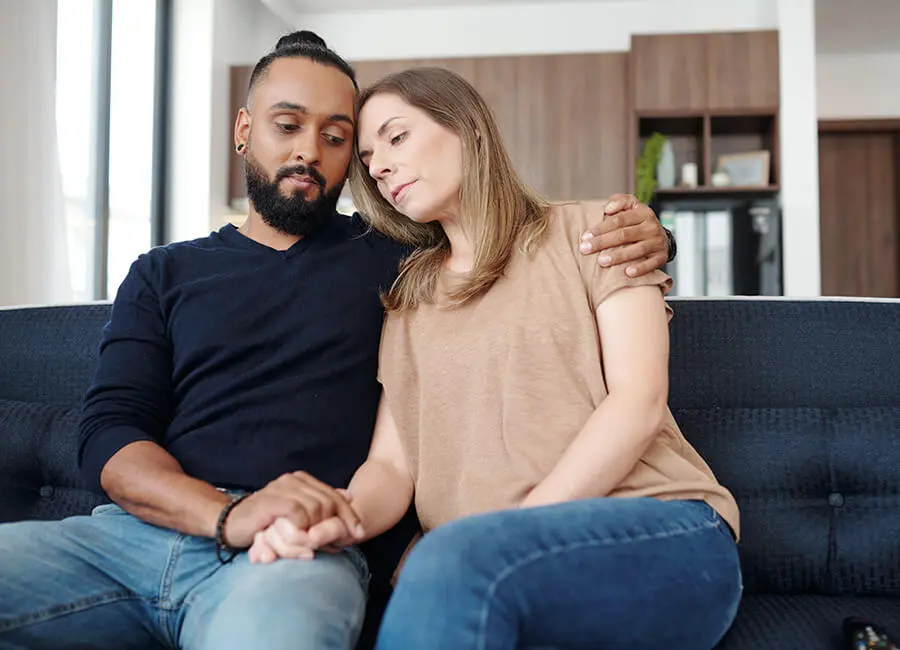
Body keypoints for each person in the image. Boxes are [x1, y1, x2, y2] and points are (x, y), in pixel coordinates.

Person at [0, 32, 672, 650]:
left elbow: (511, 238)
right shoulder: (162, 273)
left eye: (338, 136)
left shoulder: (405, 261)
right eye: (287, 125)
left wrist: (642, 231)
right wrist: (226, 514)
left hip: (296, 553)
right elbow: (109, 436)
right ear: (244, 130)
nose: (308, 151)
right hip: (129, 541)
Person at [249, 66, 742, 650]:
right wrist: (338, 519)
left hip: (662, 530)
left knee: (449, 559)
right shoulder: (408, 300)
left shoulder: (595, 233)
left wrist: (507, 530)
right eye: (369, 156)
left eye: (397, 137)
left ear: (469, 128)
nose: (378, 165)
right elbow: (392, 467)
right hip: (483, 567)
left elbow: (638, 402)